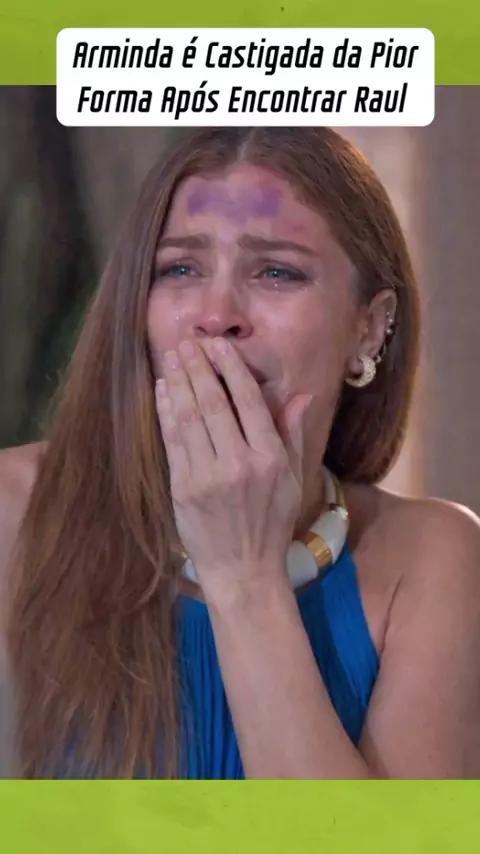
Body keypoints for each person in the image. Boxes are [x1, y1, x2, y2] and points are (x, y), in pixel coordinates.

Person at [1, 126, 479, 780]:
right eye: (180, 269)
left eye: (277, 272)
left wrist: (245, 578)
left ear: (369, 328)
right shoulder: (15, 514)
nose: (217, 313)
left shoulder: (435, 559)